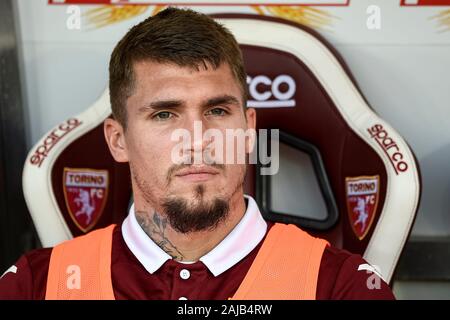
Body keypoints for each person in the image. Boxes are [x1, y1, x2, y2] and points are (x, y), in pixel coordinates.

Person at [0, 7, 394, 300]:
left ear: (249, 128)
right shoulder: (35, 284)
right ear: (118, 140)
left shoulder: (342, 287)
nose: (197, 138)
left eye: (217, 110)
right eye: (165, 114)